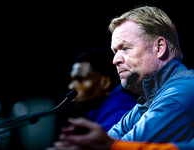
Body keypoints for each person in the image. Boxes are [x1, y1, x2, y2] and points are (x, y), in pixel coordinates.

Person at [47, 6, 194, 150]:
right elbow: (109, 139)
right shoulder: (148, 100)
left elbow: (114, 146)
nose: (115, 60)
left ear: (159, 47)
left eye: (125, 48)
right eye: (114, 51)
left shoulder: (180, 93)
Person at [56, 47, 136, 132]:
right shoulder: (104, 112)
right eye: (72, 80)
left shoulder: (119, 118)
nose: (71, 86)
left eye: (80, 79)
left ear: (105, 83)